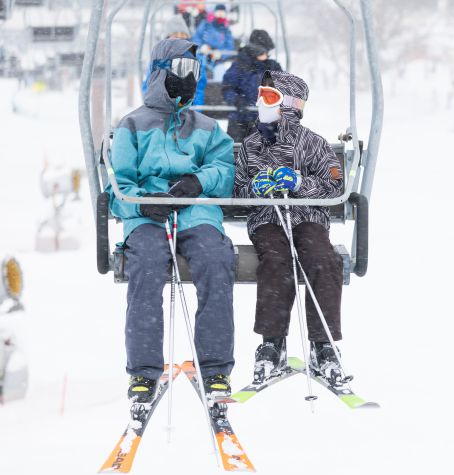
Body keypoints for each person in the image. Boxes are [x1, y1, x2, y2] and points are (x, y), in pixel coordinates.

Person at [107, 38, 236, 403]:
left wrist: (198, 181)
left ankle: (214, 368)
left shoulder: (206, 127)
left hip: (195, 211)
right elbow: (117, 185)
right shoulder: (132, 125)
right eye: (182, 70)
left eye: (195, 71)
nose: (190, 79)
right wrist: (143, 203)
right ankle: (144, 372)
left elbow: (223, 169)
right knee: (146, 264)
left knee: (215, 259)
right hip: (148, 216)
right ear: (160, 74)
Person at [233, 70, 345, 382]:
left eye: (269, 97)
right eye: (260, 96)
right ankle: (272, 342)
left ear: (290, 105)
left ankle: (322, 344)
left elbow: (335, 187)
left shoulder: (313, 144)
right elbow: (237, 191)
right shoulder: (251, 145)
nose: (261, 103)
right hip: (268, 219)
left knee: (322, 259)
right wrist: (255, 188)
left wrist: (299, 182)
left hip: (308, 217)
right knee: (277, 261)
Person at [222, 29, 282, 142]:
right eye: (264, 51)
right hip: (241, 119)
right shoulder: (240, 65)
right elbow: (228, 88)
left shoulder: (273, 67)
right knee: (238, 150)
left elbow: (284, 88)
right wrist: (237, 100)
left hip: (266, 119)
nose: (267, 54)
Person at [142, 15, 208, 107]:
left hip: (187, 107)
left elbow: (199, 86)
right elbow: (150, 83)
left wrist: (193, 107)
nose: (179, 38)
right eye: (176, 35)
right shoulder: (161, 57)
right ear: (168, 37)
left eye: (182, 34)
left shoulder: (195, 57)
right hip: (163, 108)